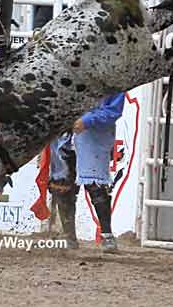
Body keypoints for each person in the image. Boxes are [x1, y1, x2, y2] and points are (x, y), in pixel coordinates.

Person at [48, 93, 126, 250]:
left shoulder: (113, 81)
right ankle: (69, 236)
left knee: (95, 185)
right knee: (62, 184)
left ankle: (106, 234)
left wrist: (87, 120)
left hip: (93, 136)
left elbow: (113, 110)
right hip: (65, 133)